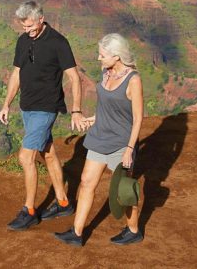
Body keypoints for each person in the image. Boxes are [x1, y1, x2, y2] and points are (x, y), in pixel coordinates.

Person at [0, 1, 83, 231]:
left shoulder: (58, 42)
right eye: (24, 27)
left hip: (46, 108)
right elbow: (16, 73)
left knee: (26, 158)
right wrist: (7, 103)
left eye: (30, 26)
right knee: (48, 154)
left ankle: (29, 211)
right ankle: (64, 202)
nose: (27, 31)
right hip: (27, 107)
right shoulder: (23, 40)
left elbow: (75, 78)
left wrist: (76, 109)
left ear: (41, 18)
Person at [54, 32, 144, 247]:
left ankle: (133, 230)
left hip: (121, 143)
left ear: (117, 56)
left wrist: (130, 148)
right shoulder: (105, 73)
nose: (98, 58)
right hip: (98, 138)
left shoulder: (133, 80)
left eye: (102, 55)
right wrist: (92, 119)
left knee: (123, 191)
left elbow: (138, 118)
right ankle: (76, 233)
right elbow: (106, 107)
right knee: (86, 183)